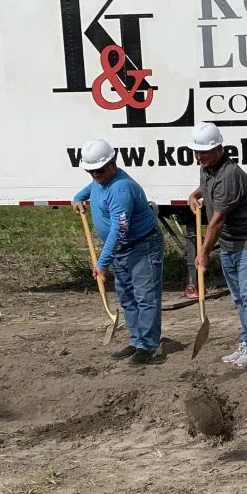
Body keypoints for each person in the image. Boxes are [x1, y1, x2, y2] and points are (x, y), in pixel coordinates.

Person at [187, 122, 247, 368]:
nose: (200, 156)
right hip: (229, 243)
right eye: (197, 152)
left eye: (205, 151)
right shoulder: (207, 169)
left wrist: (203, 252)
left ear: (219, 148)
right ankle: (246, 343)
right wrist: (195, 195)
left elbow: (217, 221)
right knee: (238, 297)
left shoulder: (230, 174)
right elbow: (206, 187)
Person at [72, 138, 164, 365]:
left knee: (145, 297)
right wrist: (77, 198)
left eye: (100, 170)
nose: (95, 175)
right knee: (127, 297)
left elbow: (119, 231)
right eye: (91, 171)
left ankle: (147, 345)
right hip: (122, 251)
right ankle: (136, 340)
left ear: (113, 163)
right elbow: (90, 189)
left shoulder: (122, 189)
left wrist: (102, 263)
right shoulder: (99, 181)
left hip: (142, 246)